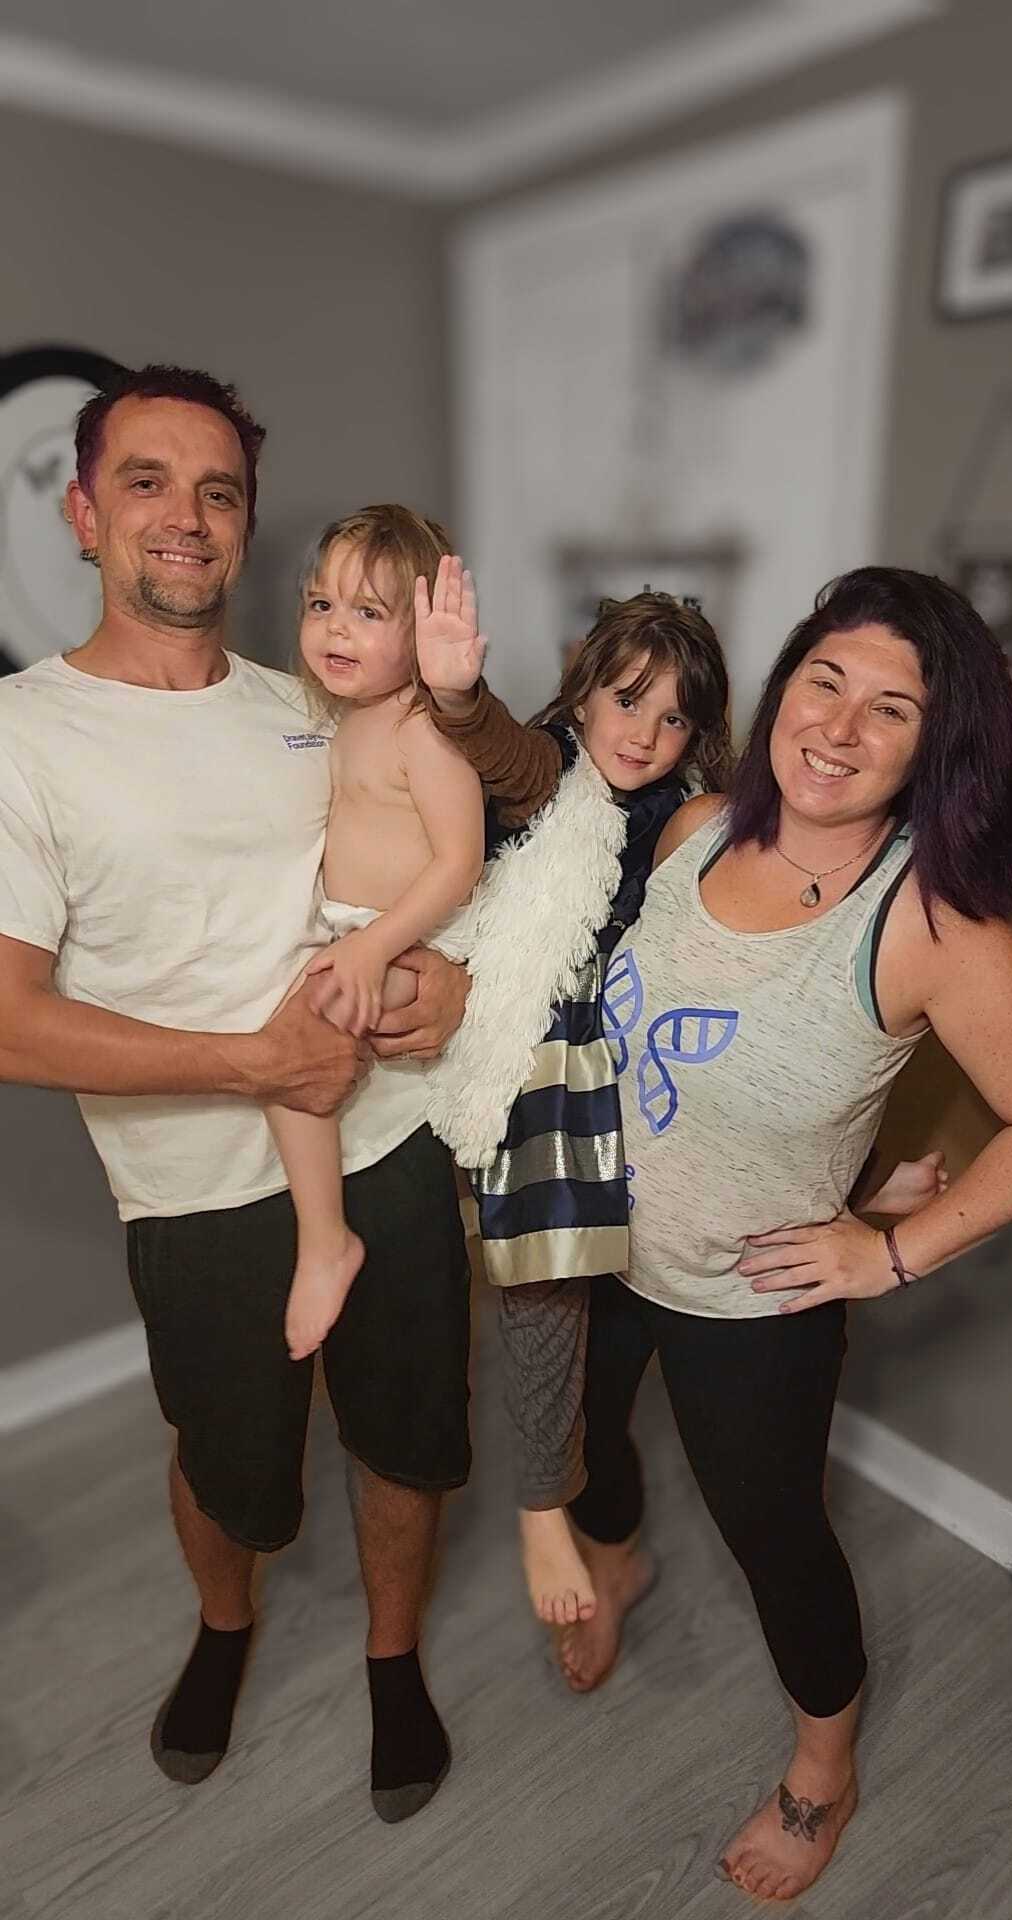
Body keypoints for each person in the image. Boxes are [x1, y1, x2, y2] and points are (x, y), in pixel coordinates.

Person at [547, 566, 1012, 1901]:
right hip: (600, 1247)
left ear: (932, 746)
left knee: (776, 1545)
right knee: (582, 1445)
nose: (837, 727)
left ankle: (822, 1772)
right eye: (823, 681)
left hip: (754, 1305)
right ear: (783, 686)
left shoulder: (933, 923)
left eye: (889, 708)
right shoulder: (694, 829)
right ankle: (618, 1564)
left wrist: (885, 1251)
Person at [0, 365, 470, 1823]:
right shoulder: (23, 736)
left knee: (404, 1438)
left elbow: (434, 857)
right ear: (84, 514)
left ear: (247, 523)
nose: (185, 516)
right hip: (196, 1189)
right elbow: (7, 1021)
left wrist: (452, 986)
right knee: (230, 1470)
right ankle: (224, 1628)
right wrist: (252, 1064)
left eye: (218, 491)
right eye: (145, 481)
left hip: (388, 1144)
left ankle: (394, 1658)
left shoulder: (315, 701)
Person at [416, 581, 945, 1631]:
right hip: (539, 1051)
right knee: (544, 1275)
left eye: (673, 721)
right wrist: (461, 695)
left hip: (639, 1056)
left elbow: (756, 1036)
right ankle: (542, 1505)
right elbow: (504, 759)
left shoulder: (686, 819)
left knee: (771, 1061)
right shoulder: (554, 768)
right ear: (581, 695)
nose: (643, 737)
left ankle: (872, 1180)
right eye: (626, 703)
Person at [267, 507, 485, 1362]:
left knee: (296, 1041)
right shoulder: (339, 717)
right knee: (289, 1051)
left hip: (409, 940)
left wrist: (370, 946)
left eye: (367, 612)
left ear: (423, 633)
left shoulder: (421, 728)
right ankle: (323, 1234)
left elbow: (460, 861)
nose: (335, 628)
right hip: (357, 934)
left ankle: (326, 1241)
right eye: (321, 605)